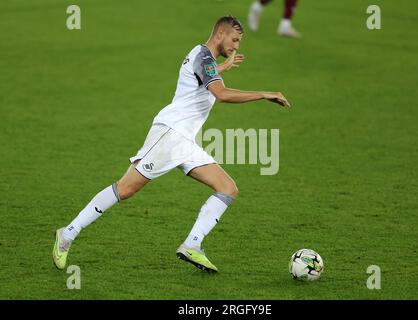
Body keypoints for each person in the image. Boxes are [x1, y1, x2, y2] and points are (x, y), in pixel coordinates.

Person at [53, 16, 290, 273]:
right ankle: (68, 233)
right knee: (126, 188)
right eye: (234, 40)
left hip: (183, 141)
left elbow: (202, 81)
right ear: (220, 34)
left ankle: (192, 245)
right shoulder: (204, 57)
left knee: (227, 188)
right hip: (170, 135)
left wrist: (222, 68)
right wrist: (265, 94)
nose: (236, 47)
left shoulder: (203, 57)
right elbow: (221, 94)